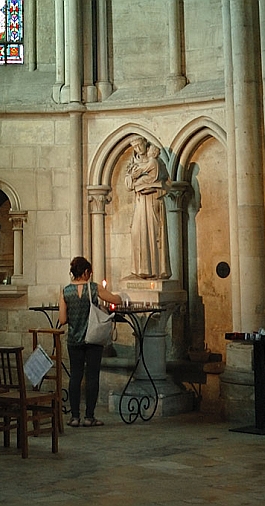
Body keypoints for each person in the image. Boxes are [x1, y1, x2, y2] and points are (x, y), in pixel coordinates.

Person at [58, 256, 122, 427]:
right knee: (92, 377)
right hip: (93, 339)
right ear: (86, 272)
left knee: (75, 376)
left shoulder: (65, 291)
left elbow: (62, 319)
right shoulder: (93, 288)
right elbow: (116, 300)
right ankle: (89, 417)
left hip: (74, 340)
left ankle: (74, 417)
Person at [125, 138, 171, 279]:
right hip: (140, 203)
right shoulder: (133, 164)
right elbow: (128, 184)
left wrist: (143, 182)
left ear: (145, 144)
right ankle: (139, 270)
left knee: (154, 233)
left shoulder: (156, 162)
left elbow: (166, 183)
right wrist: (134, 178)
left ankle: (155, 271)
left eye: (140, 145)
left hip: (153, 201)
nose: (138, 148)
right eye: (135, 146)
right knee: (137, 233)